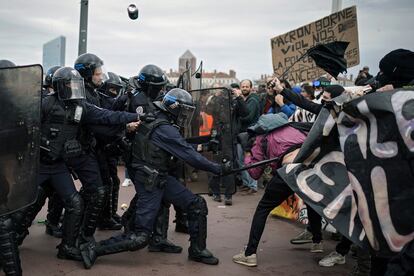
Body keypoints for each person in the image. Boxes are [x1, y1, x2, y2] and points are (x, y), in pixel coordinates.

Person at [80, 88, 230, 269]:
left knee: (196, 204)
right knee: (140, 237)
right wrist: (218, 168)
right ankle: (94, 248)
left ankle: (197, 250)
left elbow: (179, 145)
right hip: (151, 182)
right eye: (184, 110)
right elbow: (189, 156)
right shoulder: (165, 128)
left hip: (158, 177)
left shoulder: (158, 119)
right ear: (175, 108)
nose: (186, 115)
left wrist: (205, 142)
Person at [13, 67, 140, 261]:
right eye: (69, 85)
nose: (73, 89)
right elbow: (24, 130)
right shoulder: (45, 104)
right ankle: (12, 240)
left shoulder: (81, 107)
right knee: (23, 205)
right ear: (60, 86)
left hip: (58, 166)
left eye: (76, 85)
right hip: (38, 165)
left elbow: (106, 115)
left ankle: (67, 247)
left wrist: (134, 117)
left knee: (75, 203)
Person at [232, 112, 308, 267]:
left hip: (289, 171)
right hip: (313, 168)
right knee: (311, 198)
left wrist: (248, 153)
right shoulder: (296, 129)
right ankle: (317, 240)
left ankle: (250, 254)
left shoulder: (261, 139)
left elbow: (254, 173)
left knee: (263, 209)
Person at [238, 79, 260, 194]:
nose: (244, 88)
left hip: (250, 134)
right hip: (241, 134)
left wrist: (237, 118)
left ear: (251, 88)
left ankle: (253, 185)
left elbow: (248, 117)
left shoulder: (253, 100)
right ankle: (246, 183)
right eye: (243, 86)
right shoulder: (243, 100)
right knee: (241, 160)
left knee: (250, 160)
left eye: (247, 86)